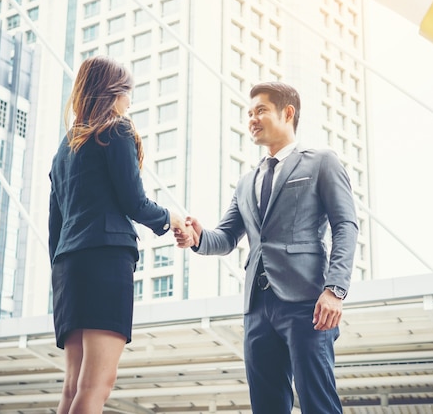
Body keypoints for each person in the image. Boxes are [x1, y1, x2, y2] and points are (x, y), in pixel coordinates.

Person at [176, 82, 358, 414]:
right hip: (257, 308)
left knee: (318, 403)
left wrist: (335, 289)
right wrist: (198, 237)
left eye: (260, 110)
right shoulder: (247, 181)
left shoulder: (321, 162)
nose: (252, 120)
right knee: (266, 407)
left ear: (288, 113)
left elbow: (345, 225)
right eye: (249, 113)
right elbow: (228, 237)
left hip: (308, 304)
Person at [48, 56, 192, 413]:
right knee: (98, 383)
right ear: (112, 93)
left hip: (68, 268)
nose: (130, 101)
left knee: (72, 386)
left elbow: (55, 228)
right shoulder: (117, 129)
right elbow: (133, 201)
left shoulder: (63, 151)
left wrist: (63, 269)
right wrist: (170, 217)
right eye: (127, 92)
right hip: (105, 259)